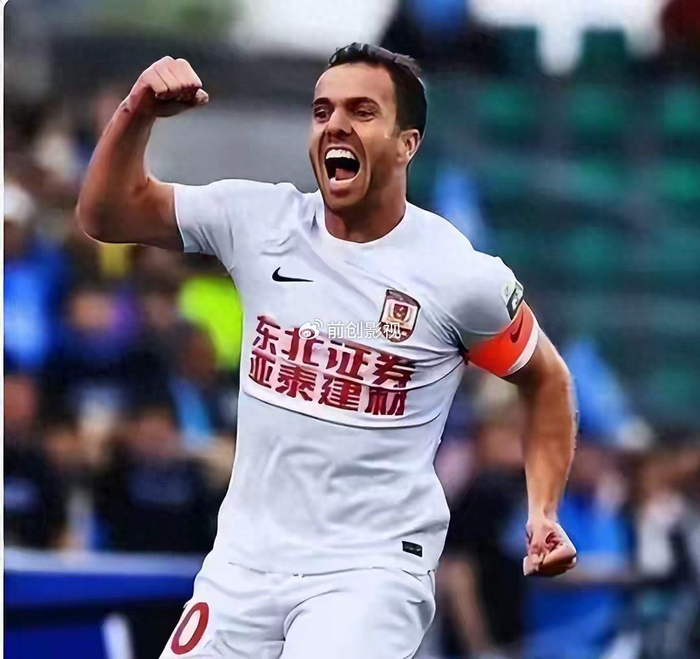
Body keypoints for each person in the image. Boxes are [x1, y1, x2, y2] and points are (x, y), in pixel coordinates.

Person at [77, 43, 578, 659]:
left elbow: (544, 379)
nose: (335, 125)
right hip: (242, 566)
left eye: (362, 111)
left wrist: (543, 510)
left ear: (407, 144)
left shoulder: (458, 277)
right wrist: (137, 111)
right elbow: (106, 214)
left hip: (369, 574)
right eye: (322, 111)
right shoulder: (259, 222)